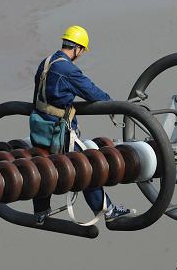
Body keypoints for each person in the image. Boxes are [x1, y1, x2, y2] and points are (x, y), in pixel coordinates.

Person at [31, 25, 134, 225]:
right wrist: (112, 104)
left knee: (44, 164)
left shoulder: (46, 62)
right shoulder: (67, 69)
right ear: (77, 48)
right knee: (88, 166)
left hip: (38, 127)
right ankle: (108, 210)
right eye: (81, 51)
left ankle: (40, 212)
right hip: (57, 131)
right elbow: (91, 91)